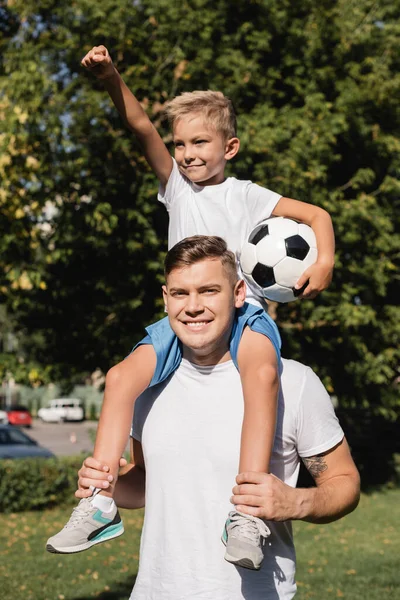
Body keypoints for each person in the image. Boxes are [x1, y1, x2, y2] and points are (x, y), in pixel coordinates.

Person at [46, 44, 335, 566]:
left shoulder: (247, 196)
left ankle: (247, 513)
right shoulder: (176, 187)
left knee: (263, 376)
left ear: (231, 146)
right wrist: (112, 78)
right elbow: (139, 127)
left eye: (200, 141)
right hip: (181, 317)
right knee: (119, 377)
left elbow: (317, 215)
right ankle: (100, 501)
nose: (187, 153)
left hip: (241, 314)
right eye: (180, 143)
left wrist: (325, 262)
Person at [76, 235, 360, 600]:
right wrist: (107, 483)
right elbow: (148, 482)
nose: (193, 307)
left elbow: (345, 482)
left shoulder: (295, 382)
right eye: (181, 293)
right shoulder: (147, 386)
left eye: (209, 291)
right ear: (166, 299)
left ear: (239, 293)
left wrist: (295, 502)